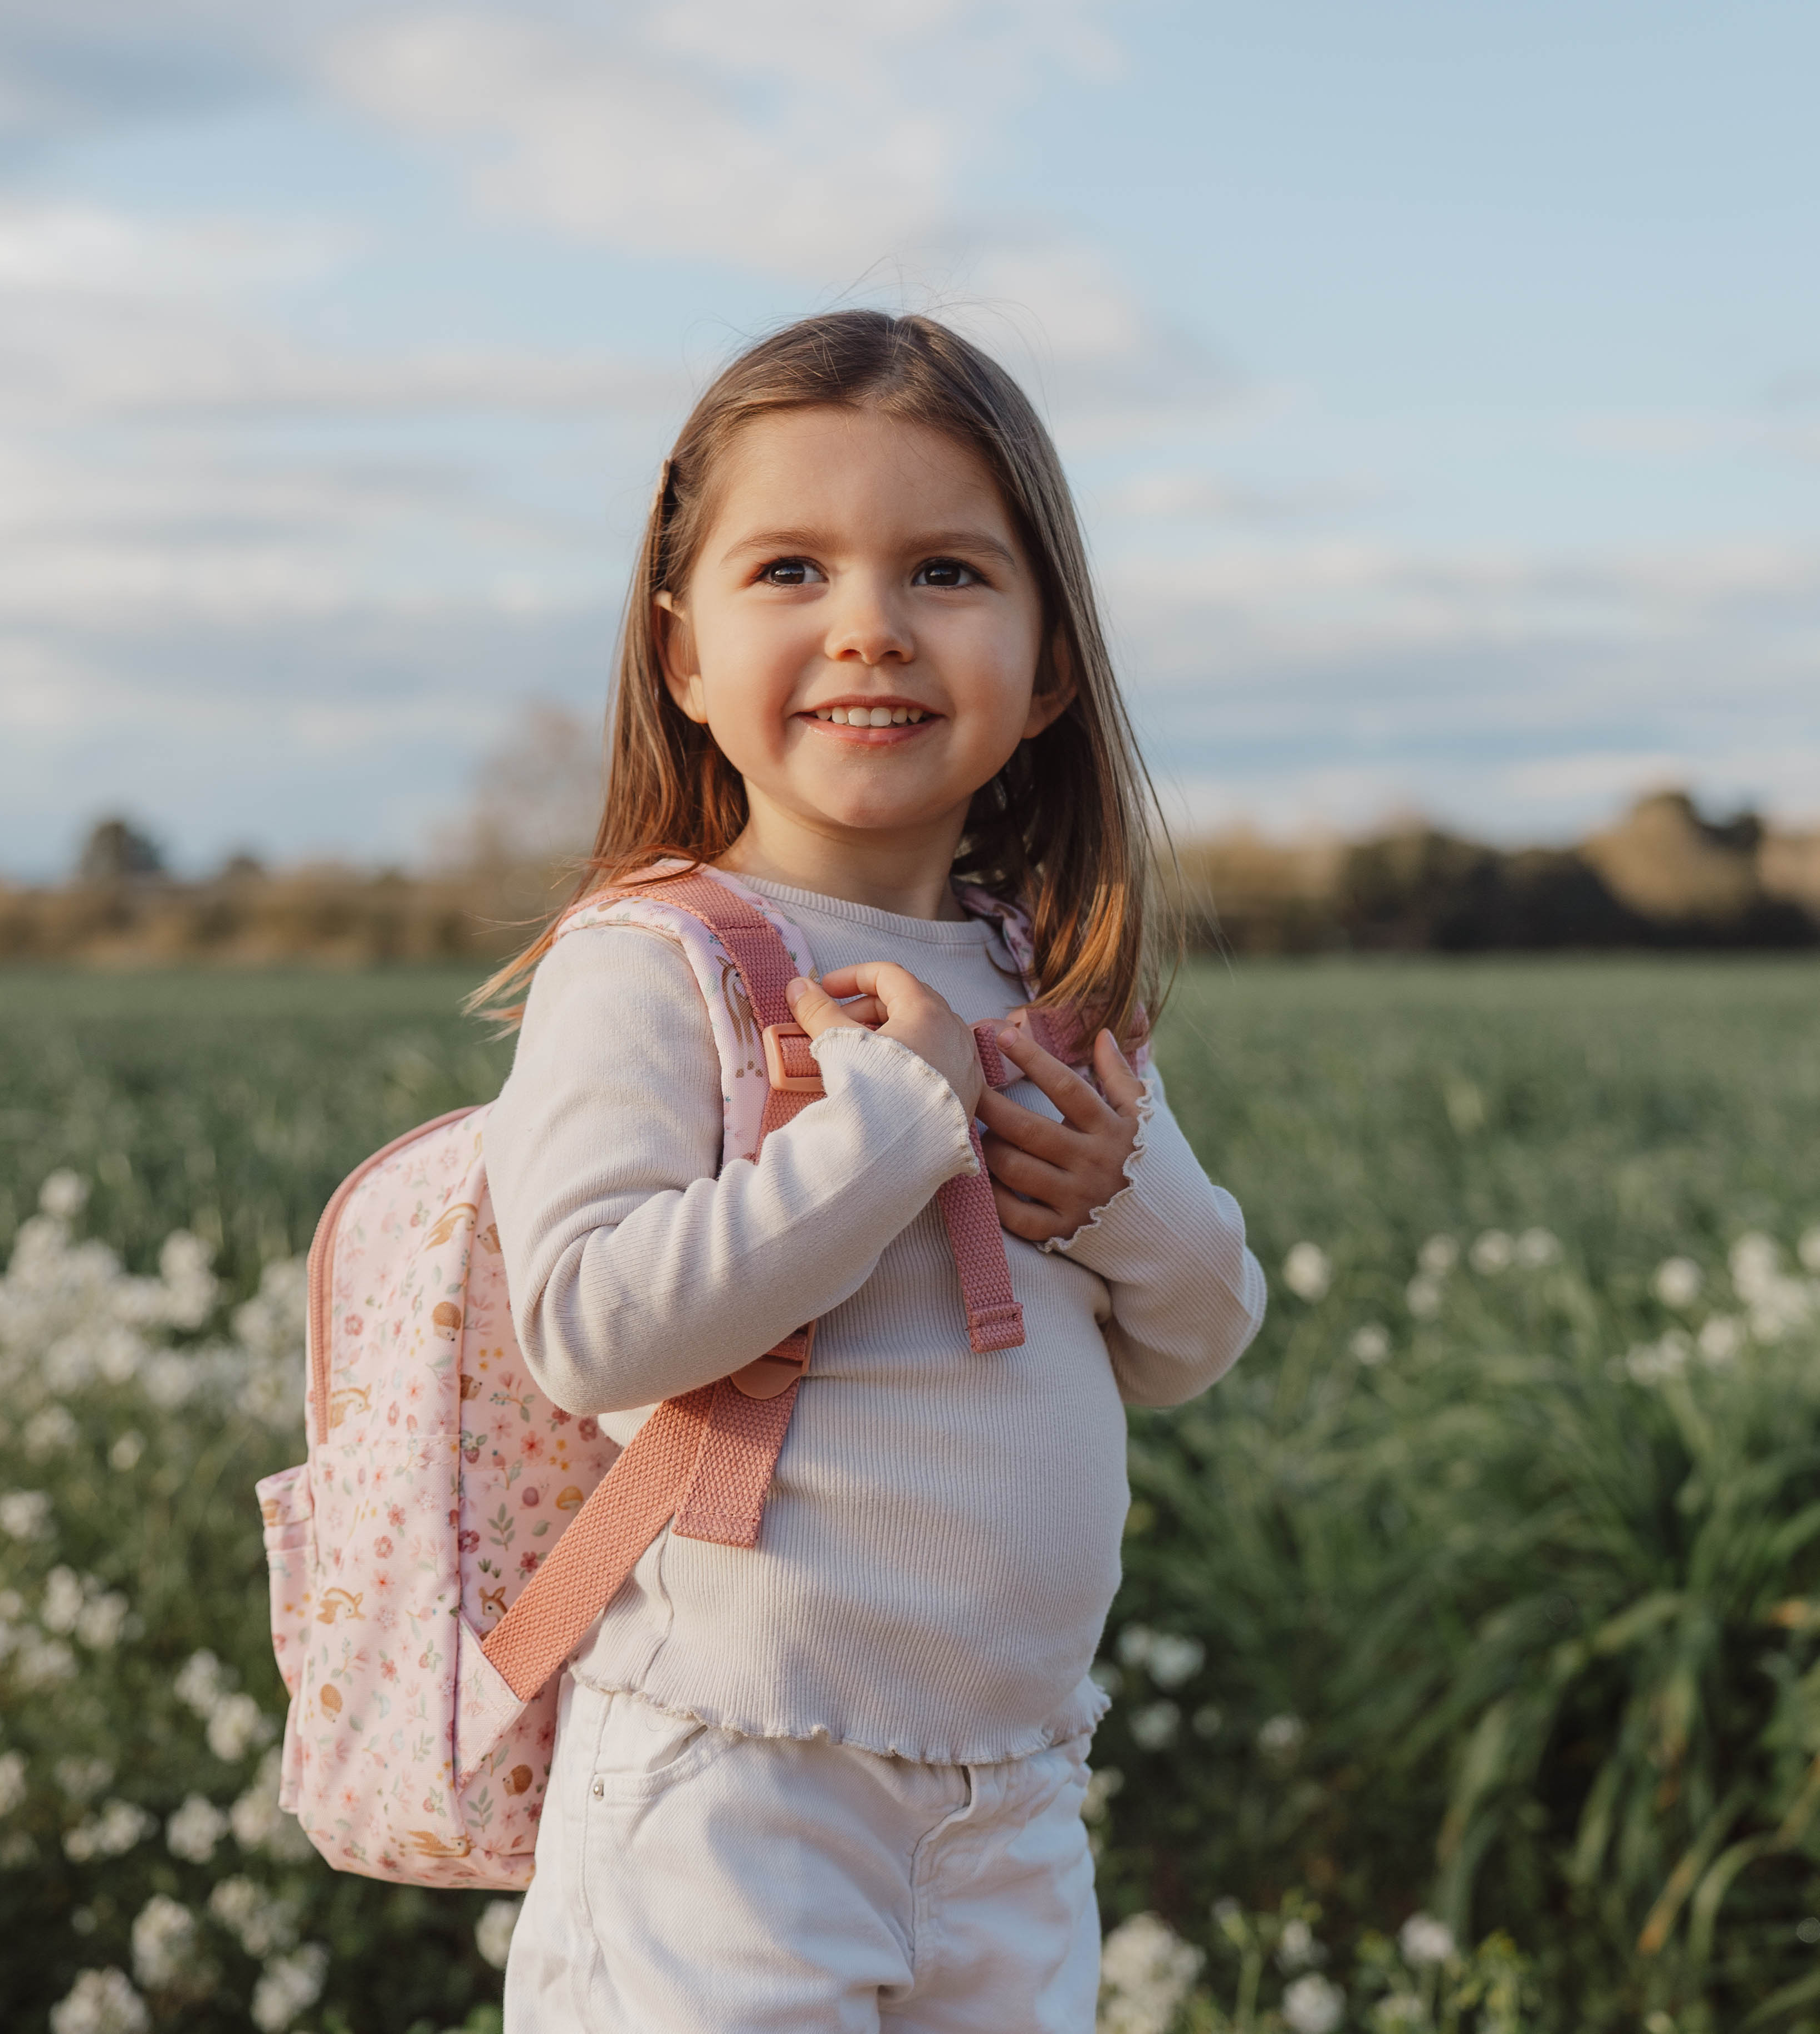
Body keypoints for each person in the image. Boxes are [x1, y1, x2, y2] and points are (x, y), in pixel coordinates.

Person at [480, 310, 1266, 2033]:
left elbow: (1195, 1333)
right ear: (681, 655)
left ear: (1049, 663)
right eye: (789, 569)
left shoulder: (1044, 975)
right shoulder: (653, 960)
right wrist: (893, 1131)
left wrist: (1121, 1195)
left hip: (1009, 1804)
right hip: (734, 1795)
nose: (870, 629)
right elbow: (587, 1322)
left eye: (946, 573)